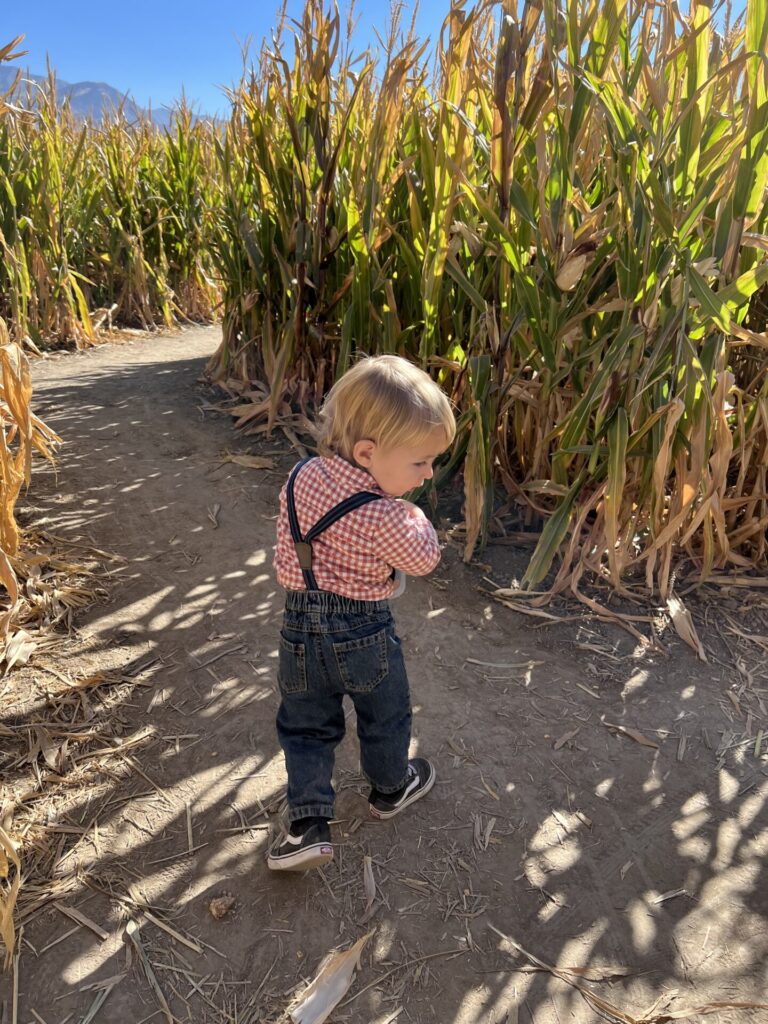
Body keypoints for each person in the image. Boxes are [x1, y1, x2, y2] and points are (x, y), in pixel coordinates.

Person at [267, 354, 456, 871]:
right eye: (420, 463)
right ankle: (391, 789)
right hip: (364, 632)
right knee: (385, 713)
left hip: (299, 627)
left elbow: (288, 542)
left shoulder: (302, 476)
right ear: (368, 452)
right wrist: (416, 517)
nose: (428, 474)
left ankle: (308, 825)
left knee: (305, 725)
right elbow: (424, 560)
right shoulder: (388, 513)